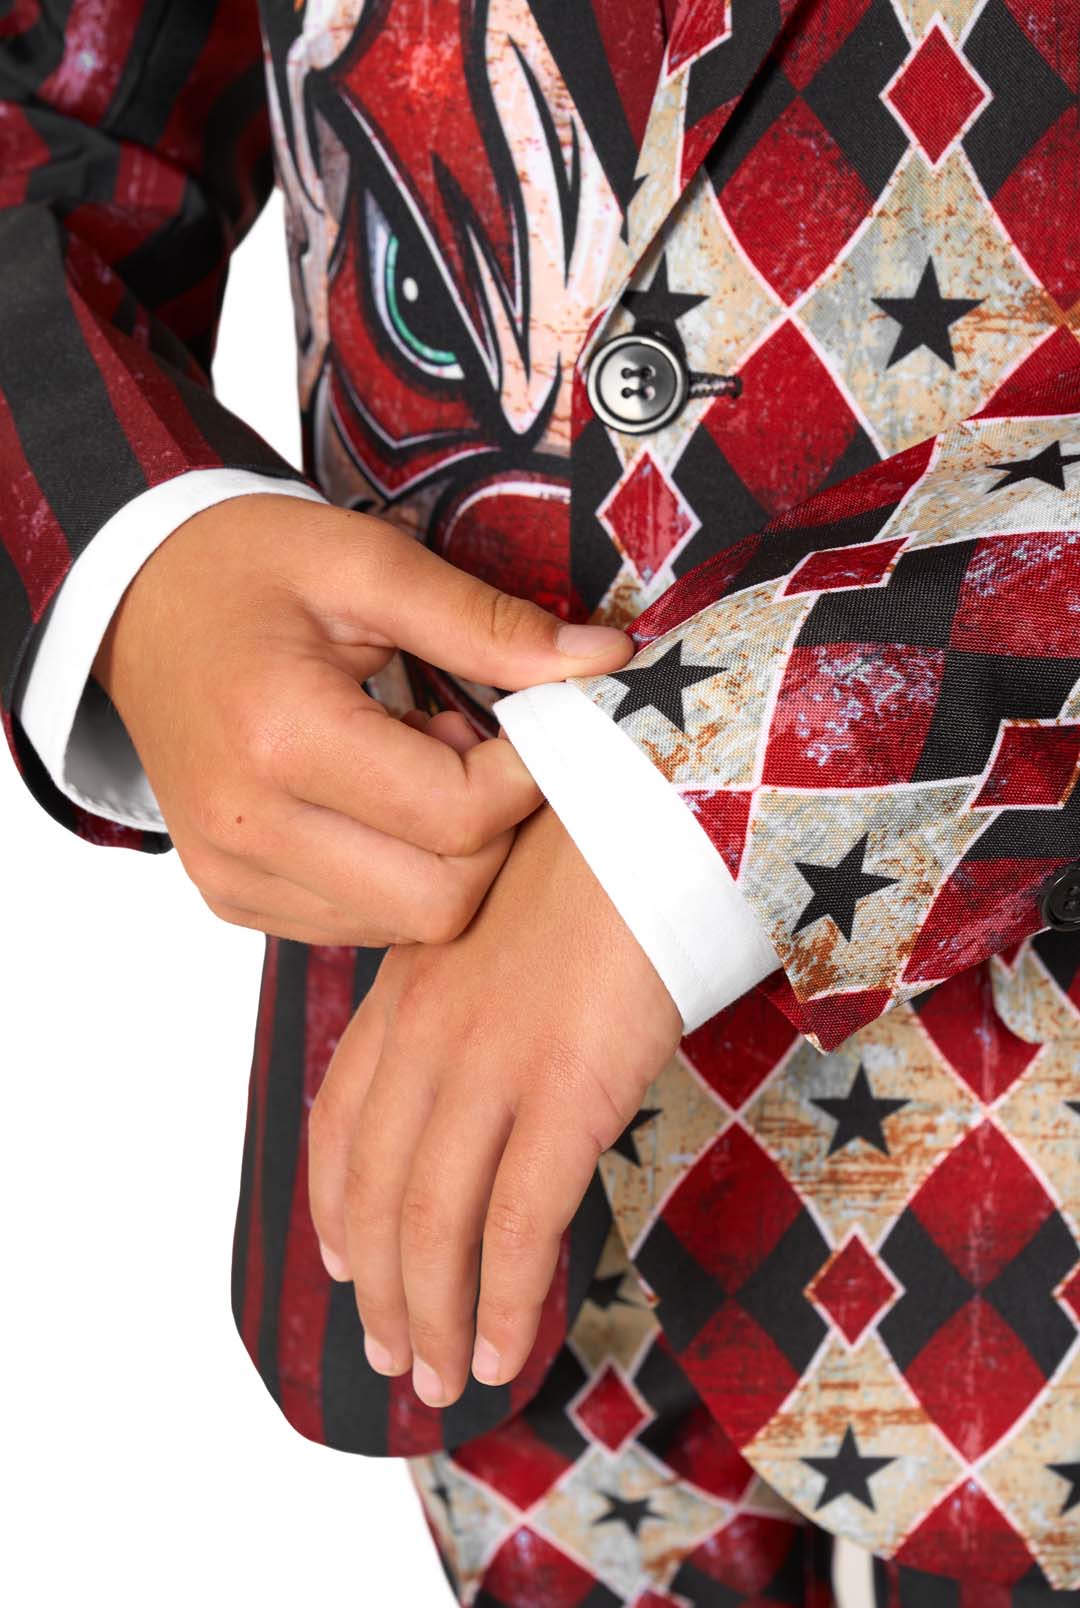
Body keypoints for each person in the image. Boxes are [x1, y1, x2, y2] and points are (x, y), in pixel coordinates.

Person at [2, 0, 1078, 1603]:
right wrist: (132, 544)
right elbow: (44, 113)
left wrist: (715, 786)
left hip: (1029, 1217)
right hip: (479, 1222)